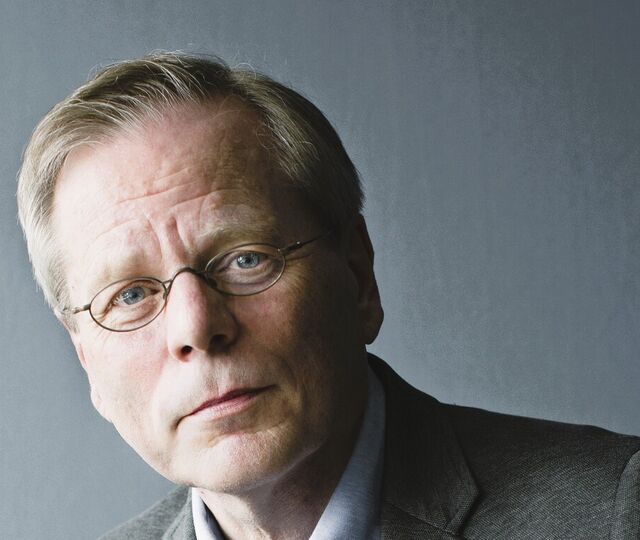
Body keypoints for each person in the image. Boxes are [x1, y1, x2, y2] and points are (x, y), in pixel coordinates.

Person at [17, 52, 640, 540]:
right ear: (85, 358)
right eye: (129, 295)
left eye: (245, 259)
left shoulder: (614, 514)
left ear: (358, 275)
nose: (195, 327)